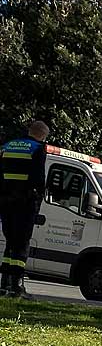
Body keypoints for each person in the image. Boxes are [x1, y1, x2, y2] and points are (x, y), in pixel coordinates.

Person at [0, 121, 49, 298]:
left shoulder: (7, 146)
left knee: (10, 241)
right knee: (22, 244)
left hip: (5, 202)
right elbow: (38, 178)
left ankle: (4, 284)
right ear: (42, 135)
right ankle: (16, 286)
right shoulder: (37, 148)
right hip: (24, 202)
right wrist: (37, 201)